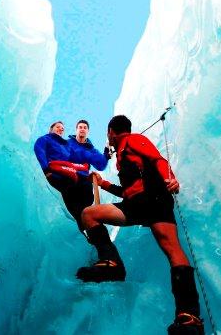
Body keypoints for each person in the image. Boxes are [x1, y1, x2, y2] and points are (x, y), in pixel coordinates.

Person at [80, 115, 204, 334]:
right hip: (137, 204)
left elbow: (158, 160)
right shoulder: (123, 156)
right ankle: (189, 316)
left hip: (153, 198)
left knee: (89, 215)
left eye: (107, 134)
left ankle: (189, 317)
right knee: (91, 214)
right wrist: (104, 183)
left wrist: (171, 179)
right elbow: (128, 190)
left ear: (111, 131)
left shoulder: (134, 140)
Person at [34, 120, 108, 225]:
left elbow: (99, 163)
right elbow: (40, 150)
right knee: (72, 198)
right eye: (80, 127)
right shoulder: (65, 143)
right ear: (76, 130)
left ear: (88, 131)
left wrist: (105, 155)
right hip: (63, 175)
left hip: (78, 177)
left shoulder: (86, 149)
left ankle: (90, 223)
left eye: (85, 127)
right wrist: (46, 169)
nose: (60, 129)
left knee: (86, 199)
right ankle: (83, 223)